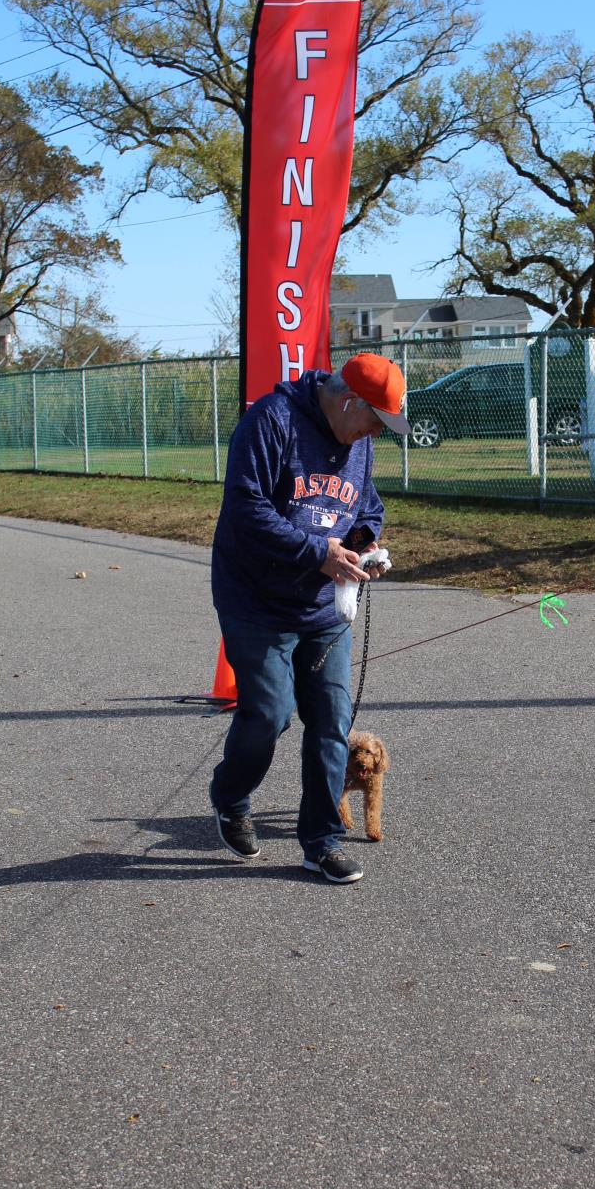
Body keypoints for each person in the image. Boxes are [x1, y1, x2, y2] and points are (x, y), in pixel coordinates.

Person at [209, 352, 410, 884]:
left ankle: (322, 842)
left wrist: (363, 546)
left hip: (325, 606)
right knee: (269, 715)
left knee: (331, 720)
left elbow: (366, 507)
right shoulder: (271, 420)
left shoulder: (358, 440)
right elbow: (246, 507)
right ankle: (230, 796)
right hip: (256, 600)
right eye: (373, 421)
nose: (375, 434)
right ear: (348, 401)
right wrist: (317, 552)